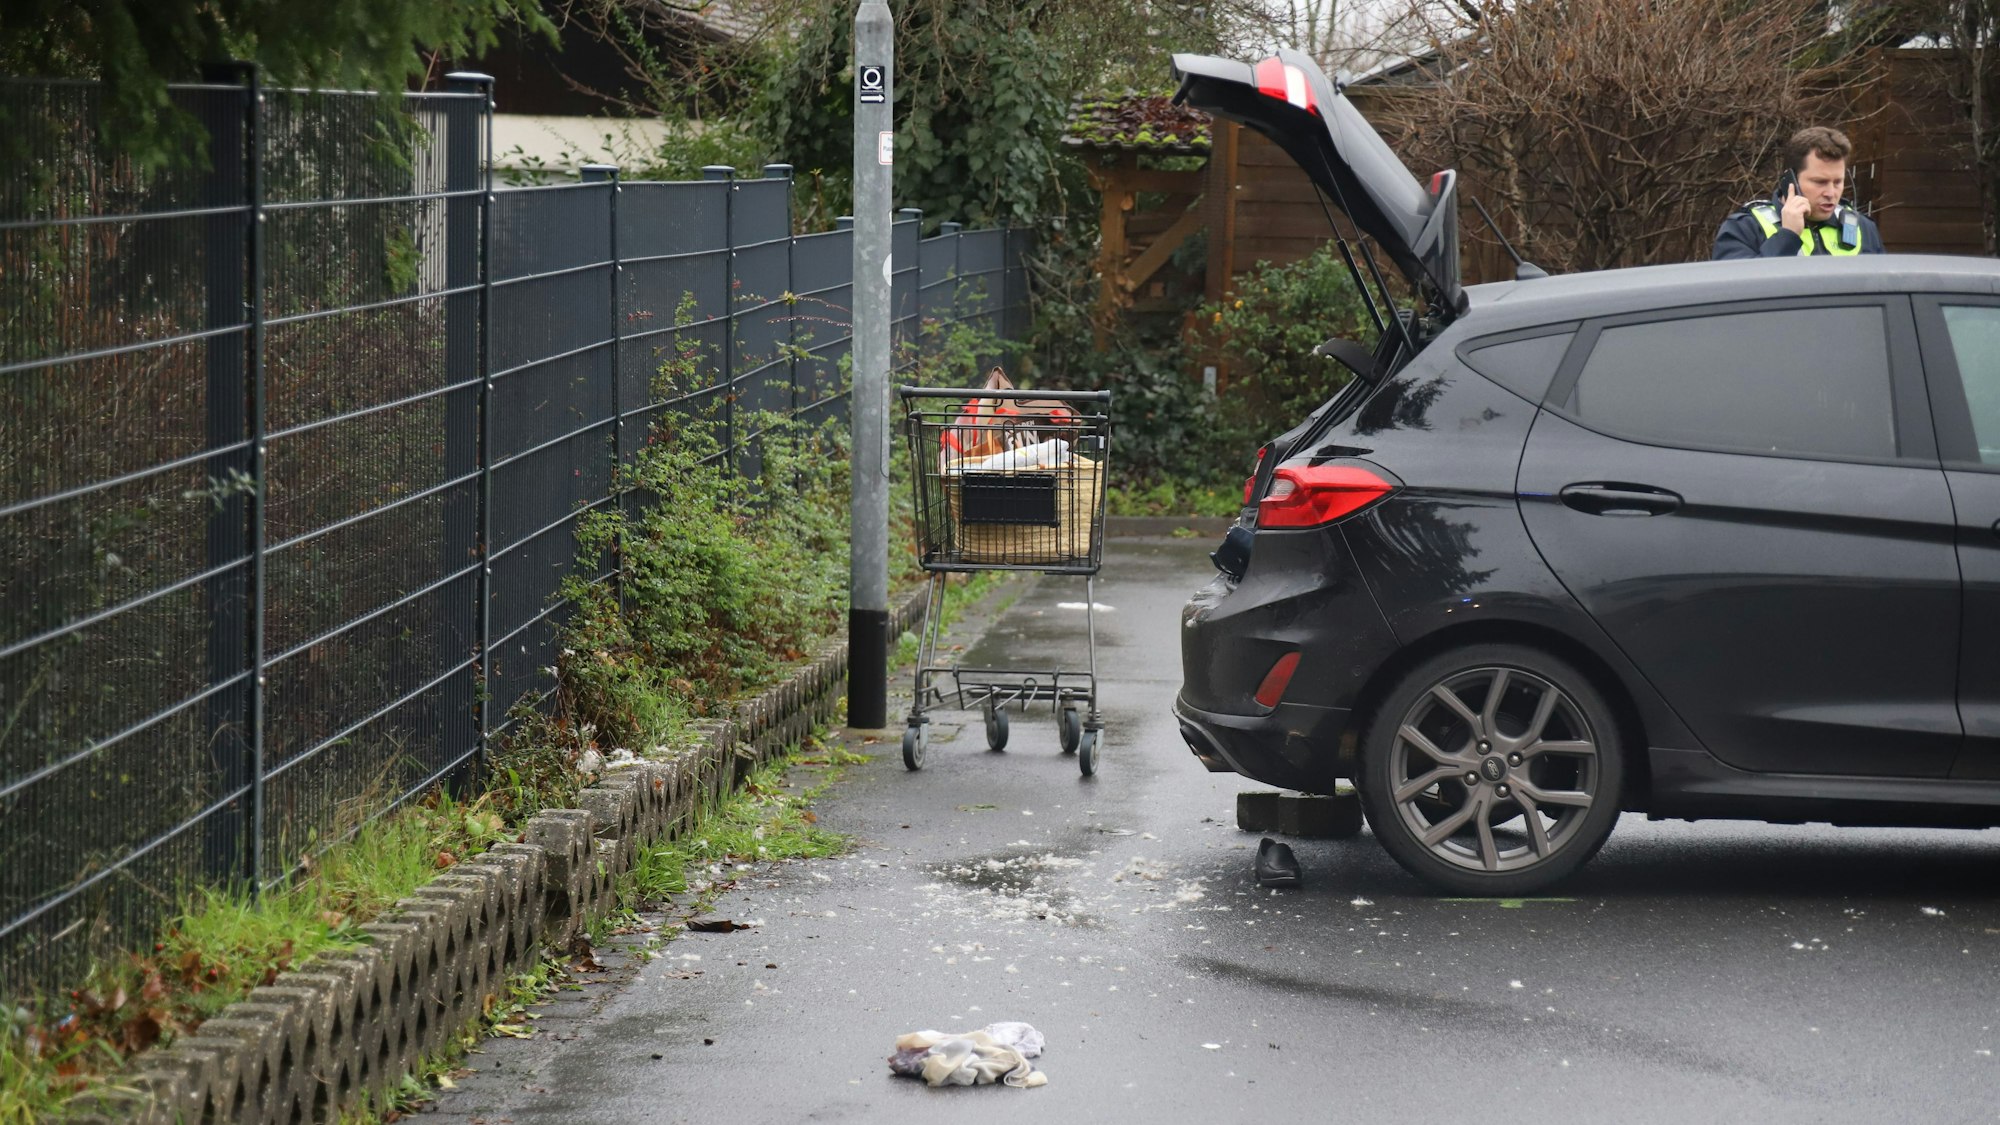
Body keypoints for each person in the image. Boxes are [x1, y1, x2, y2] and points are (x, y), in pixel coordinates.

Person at [1713, 126, 1885, 259]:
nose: (1831, 193)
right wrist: (1787, 236)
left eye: (1837, 182)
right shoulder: (1746, 228)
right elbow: (1739, 293)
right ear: (1791, 180)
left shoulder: (1862, 228)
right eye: (1820, 182)